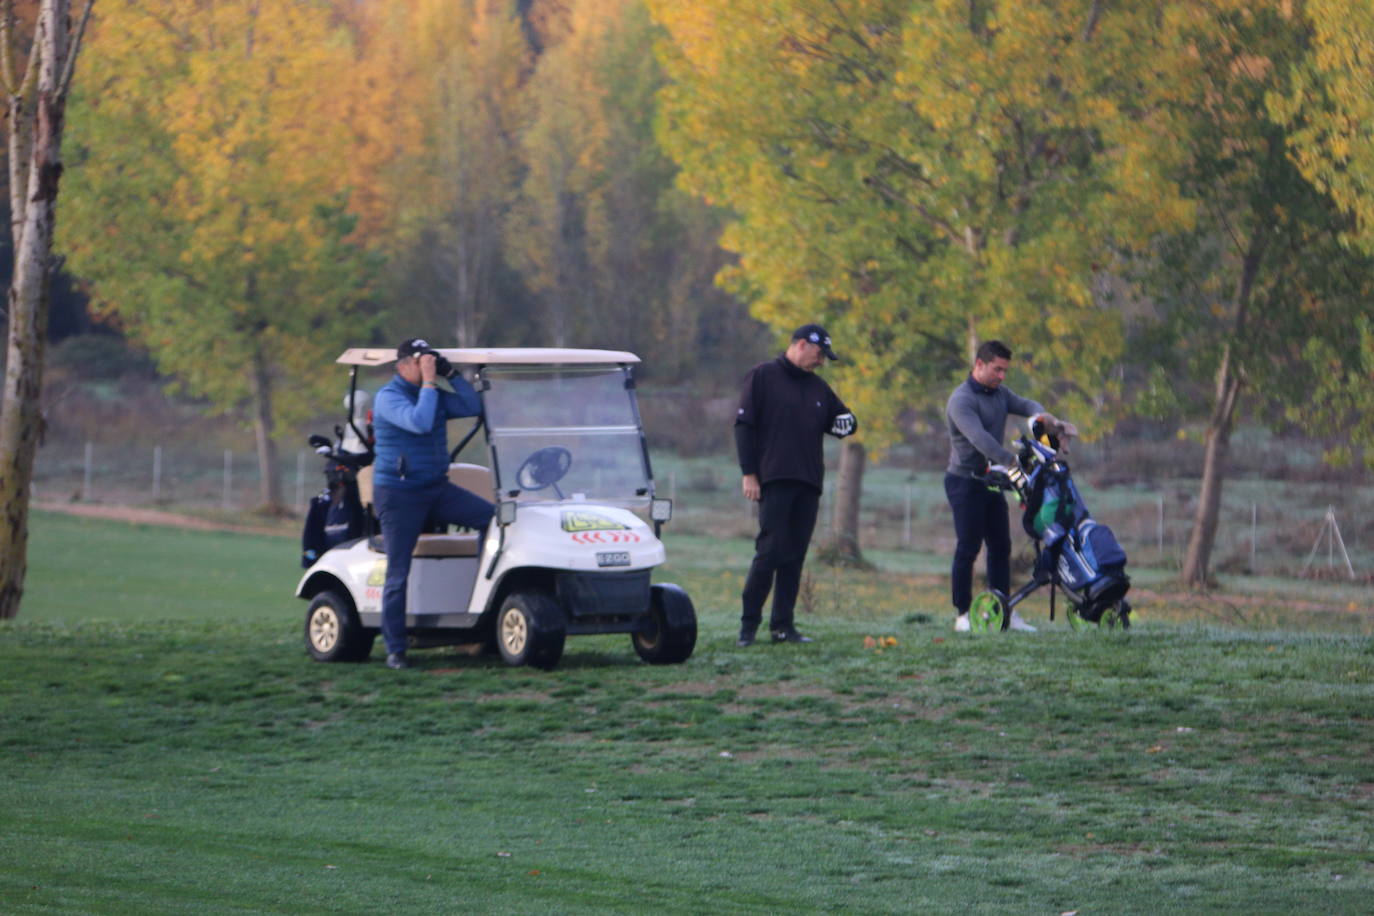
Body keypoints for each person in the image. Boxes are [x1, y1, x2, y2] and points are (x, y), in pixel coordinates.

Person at [372, 337, 494, 669]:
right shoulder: (388, 397)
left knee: (493, 520)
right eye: (419, 360)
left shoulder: (434, 394)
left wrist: (451, 374)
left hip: (436, 488)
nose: (426, 365)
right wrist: (429, 382)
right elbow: (420, 421)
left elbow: (473, 407)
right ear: (402, 366)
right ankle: (396, 649)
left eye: (428, 360)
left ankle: (480, 606)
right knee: (398, 573)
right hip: (399, 495)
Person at [734, 324, 857, 646]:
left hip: (809, 482)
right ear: (801, 345)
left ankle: (782, 627)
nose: (822, 362)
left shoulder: (818, 388)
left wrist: (848, 424)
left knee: (794, 555)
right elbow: (744, 426)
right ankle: (748, 626)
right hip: (774, 479)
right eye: (819, 355)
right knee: (770, 551)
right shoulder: (762, 376)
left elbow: (843, 420)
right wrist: (749, 473)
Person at [944, 340, 1076, 633]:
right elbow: (980, 439)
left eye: (1005, 370)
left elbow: (1027, 405)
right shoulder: (961, 400)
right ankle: (963, 614)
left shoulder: (1000, 394)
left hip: (992, 480)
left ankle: (1004, 610)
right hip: (964, 481)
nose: (1002, 376)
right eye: (997, 369)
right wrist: (1012, 461)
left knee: (1000, 546)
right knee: (968, 547)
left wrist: (1039, 418)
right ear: (979, 365)